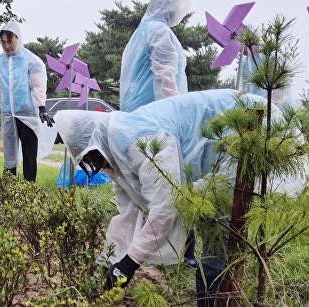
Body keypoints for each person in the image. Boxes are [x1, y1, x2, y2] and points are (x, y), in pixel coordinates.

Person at [53, 89, 271, 304]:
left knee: (216, 245)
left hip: (238, 131)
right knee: (210, 243)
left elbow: (167, 207)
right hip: (212, 159)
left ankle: (216, 301)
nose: (100, 167)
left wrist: (129, 264)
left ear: (96, 145)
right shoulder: (115, 152)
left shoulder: (141, 141)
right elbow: (127, 214)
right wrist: (107, 261)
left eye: (93, 159)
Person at [118, 0, 196, 266]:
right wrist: (174, 116)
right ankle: (175, 253)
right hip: (156, 121)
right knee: (169, 191)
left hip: (133, 122)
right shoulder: (161, 33)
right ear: (169, 7)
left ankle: (128, 250)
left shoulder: (138, 35)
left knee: (141, 191)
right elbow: (165, 78)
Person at [0, 21, 56, 182]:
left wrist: (41, 108)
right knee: (9, 153)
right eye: (3, 42)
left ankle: (28, 190)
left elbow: (38, 85)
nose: (6, 45)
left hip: (27, 114)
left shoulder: (30, 60)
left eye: (9, 41)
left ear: (18, 38)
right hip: (8, 116)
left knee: (29, 153)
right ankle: (9, 188)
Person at [119, 0, 191, 113]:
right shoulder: (160, 31)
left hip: (132, 110)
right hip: (151, 111)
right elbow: (164, 74)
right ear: (170, 7)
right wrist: (175, 111)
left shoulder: (140, 33)